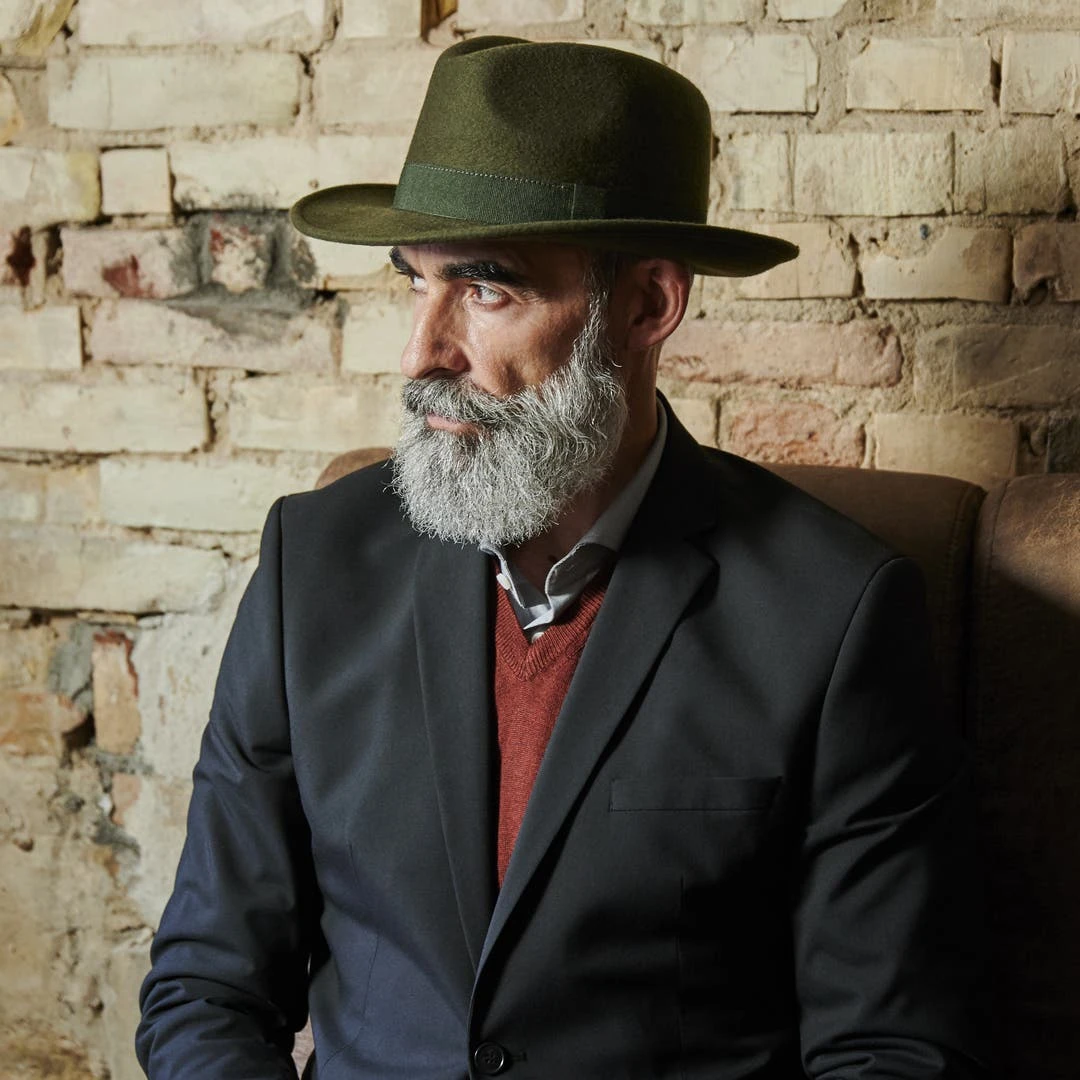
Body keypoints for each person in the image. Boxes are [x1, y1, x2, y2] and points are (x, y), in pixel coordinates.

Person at [136, 36, 989, 1080]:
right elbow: (207, 986)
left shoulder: (834, 610)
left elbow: (890, 1049)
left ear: (647, 306)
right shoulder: (311, 565)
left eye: (486, 290)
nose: (421, 352)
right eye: (416, 284)